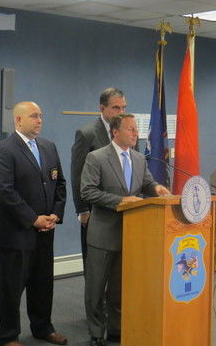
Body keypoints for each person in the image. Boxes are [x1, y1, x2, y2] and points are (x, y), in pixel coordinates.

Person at [80, 113, 170, 346]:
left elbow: (147, 183)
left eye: (135, 130)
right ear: (115, 132)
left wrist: (157, 187)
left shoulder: (139, 159)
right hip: (103, 233)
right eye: (130, 129)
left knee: (121, 287)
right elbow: (87, 192)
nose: (135, 134)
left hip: (132, 234)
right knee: (96, 288)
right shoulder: (96, 157)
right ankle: (96, 332)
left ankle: (117, 328)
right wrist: (120, 200)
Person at [0, 101, 67, 346]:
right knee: (12, 288)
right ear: (18, 120)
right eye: (34, 116)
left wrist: (55, 213)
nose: (40, 120)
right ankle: (8, 336)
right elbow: (6, 192)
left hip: (45, 231)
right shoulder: (4, 150)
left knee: (43, 284)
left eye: (41, 116)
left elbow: (59, 184)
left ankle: (43, 327)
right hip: (17, 234)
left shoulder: (48, 147)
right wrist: (33, 219)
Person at [71, 87, 129, 271]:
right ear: (102, 109)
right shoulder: (87, 134)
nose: (121, 112)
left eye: (123, 108)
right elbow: (77, 174)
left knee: (120, 264)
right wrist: (82, 210)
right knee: (95, 266)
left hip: (124, 211)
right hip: (96, 211)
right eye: (116, 108)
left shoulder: (128, 134)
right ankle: (95, 300)